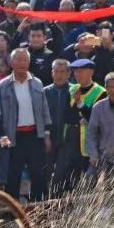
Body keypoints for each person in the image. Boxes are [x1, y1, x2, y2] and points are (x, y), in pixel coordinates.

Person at [0, 47, 52, 202]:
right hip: (12, 137)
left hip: (34, 135)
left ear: (29, 62)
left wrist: (46, 135)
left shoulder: (37, 83)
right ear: (11, 62)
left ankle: (39, 207)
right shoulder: (2, 86)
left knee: (38, 174)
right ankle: (11, 209)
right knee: (12, 175)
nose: (21, 63)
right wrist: (2, 141)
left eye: (25, 59)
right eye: (18, 59)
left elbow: (44, 111)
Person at [43, 59, 79, 195]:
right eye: (56, 71)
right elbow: (41, 115)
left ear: (69, 73)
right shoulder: (45, 91)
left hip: (68, 139)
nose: (59, 75)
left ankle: (62, 200)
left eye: (63, 72)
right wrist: (45, 135)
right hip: (49, 138)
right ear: (52, 73)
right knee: (47, 172)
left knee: (63, 172)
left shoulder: (75, 91)